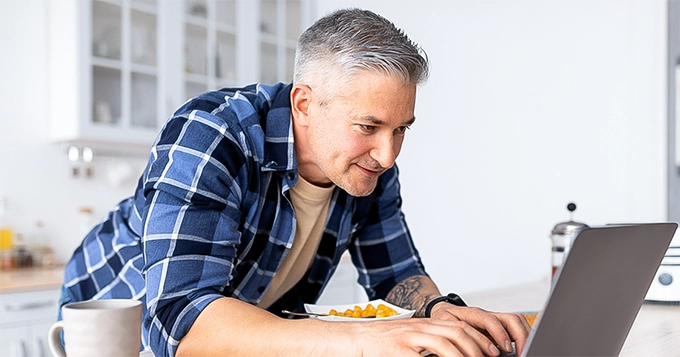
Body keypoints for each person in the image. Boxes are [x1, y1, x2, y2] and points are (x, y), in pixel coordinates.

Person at [60, 8, 530, 357]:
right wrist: (364, 340)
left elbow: (395, 274)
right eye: (368, 127)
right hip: (110, 327)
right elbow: (180, 325)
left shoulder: (365, 165)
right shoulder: (212, 134)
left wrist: (438, 311)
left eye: (401, 129)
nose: (388, 154)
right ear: (304, 104)